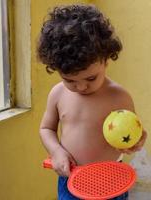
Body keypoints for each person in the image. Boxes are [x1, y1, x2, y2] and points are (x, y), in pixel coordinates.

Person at [37, 4, 147, 200]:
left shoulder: (119, 97)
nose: (81, 87)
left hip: (112, 179)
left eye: (90, 79)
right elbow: (47, 129)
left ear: (106, 60)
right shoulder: (58, 94)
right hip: (72, 178)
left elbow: (132, 134)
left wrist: (136, 141)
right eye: (69, 80)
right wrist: (56, 152)